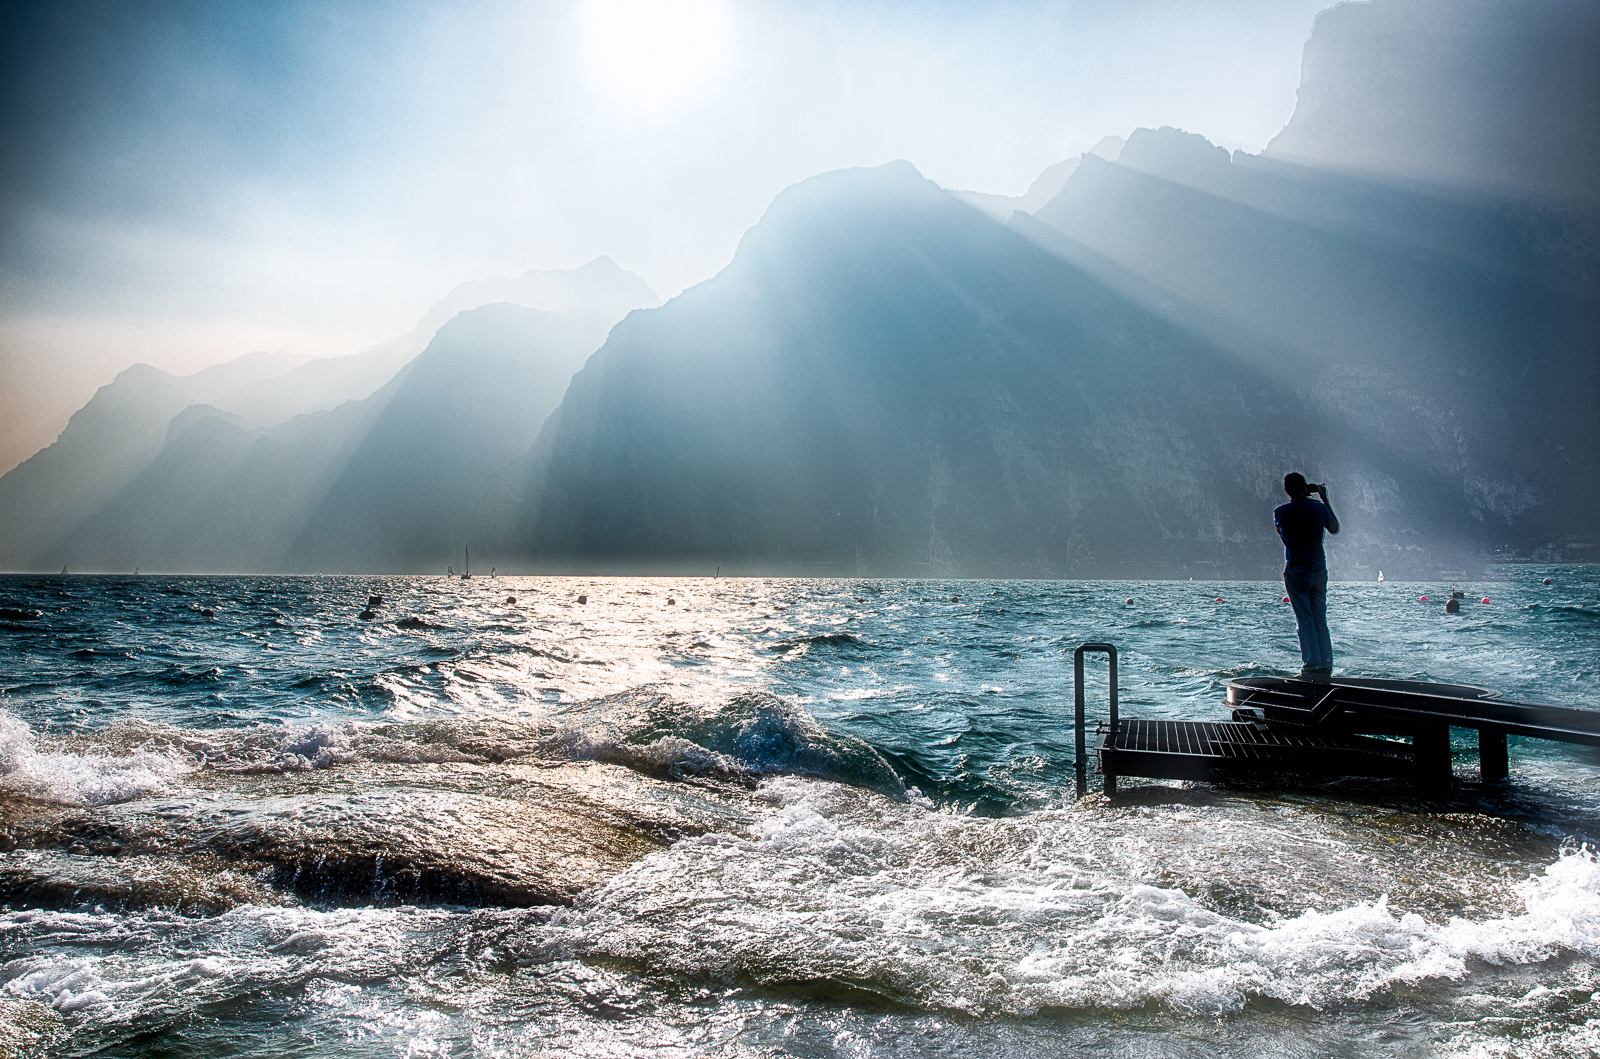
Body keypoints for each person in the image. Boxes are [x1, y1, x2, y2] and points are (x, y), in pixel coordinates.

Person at [1274, 472, 1340, 678]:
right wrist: (1324, 499)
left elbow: (1282, 532)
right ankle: (1326, 663)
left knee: (1305, 619)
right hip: (1319, 570)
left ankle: (1311, 664)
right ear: (1305, 488)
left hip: (1297, 570)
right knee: (1320, 616)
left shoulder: (1280, 512)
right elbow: (1335, 529)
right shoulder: (1319, 509)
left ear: (1287, 491)